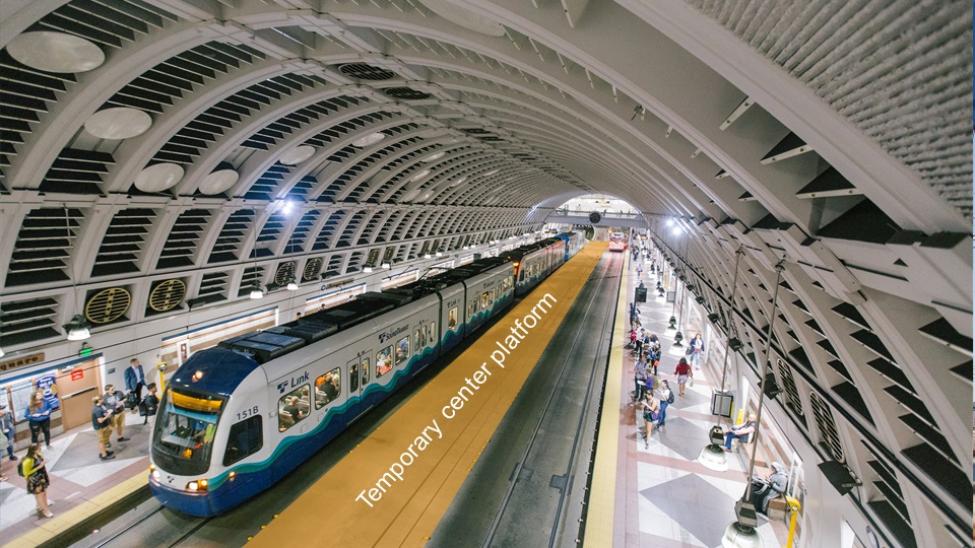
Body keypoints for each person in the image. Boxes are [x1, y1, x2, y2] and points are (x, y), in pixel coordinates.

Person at [22, 444, 53, 518]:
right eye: (38, 449)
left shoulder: (38, 454)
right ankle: (45, 510)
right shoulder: (28, 461)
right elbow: (26, 473)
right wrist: (39, 466)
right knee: (40, 495)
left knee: (44, 493)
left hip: (42, 476)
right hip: (35, 479)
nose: (40, 450)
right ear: (33, 450)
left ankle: (40, 505)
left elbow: (42, 460)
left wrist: (44, 461)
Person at [91, 396, 115, 460]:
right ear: (98, 401)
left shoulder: (101, 406)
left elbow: (104, 412)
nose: (103, 399)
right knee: (101, 441)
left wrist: (107, 412)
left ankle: (104, 451)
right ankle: (104, 455)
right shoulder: (97, 409)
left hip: (105, 426)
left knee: (104, 440)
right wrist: (108, 416)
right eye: (101, 399)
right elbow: (100, 420)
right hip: (100, 428)